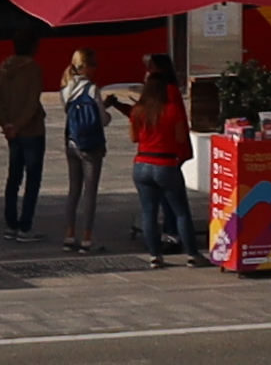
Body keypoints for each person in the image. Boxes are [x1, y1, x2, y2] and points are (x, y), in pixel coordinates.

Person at [0, 34, 49, 239]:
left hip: (12, 134)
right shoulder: (33, 69)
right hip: (32, 132)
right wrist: (18, 125)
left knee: (13, 178)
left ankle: (10, 224)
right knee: (32, 179)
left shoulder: (2, 68)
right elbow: (32, 103)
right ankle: (25, 226)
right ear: (33, 47)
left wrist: (6, 125)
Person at [130, 59, 192, 258]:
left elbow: (134, 137)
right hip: (165, 163)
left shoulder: (138, 111)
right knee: (181, 211)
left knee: (149, 212)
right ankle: (192, 254)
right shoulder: (172, 109)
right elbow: (180, 137)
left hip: (141, 163)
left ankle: (154, 256)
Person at [58, 57, 115, 248]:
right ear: (86, 66)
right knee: (90, 191)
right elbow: (102, 119)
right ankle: (87, 238)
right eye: (94, 65)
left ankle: (69, 235)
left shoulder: (66, 88)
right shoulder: (92, 88)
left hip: (72, 142)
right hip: (91, 145)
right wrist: (107, 111)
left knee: (74, 189)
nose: (96, 68)